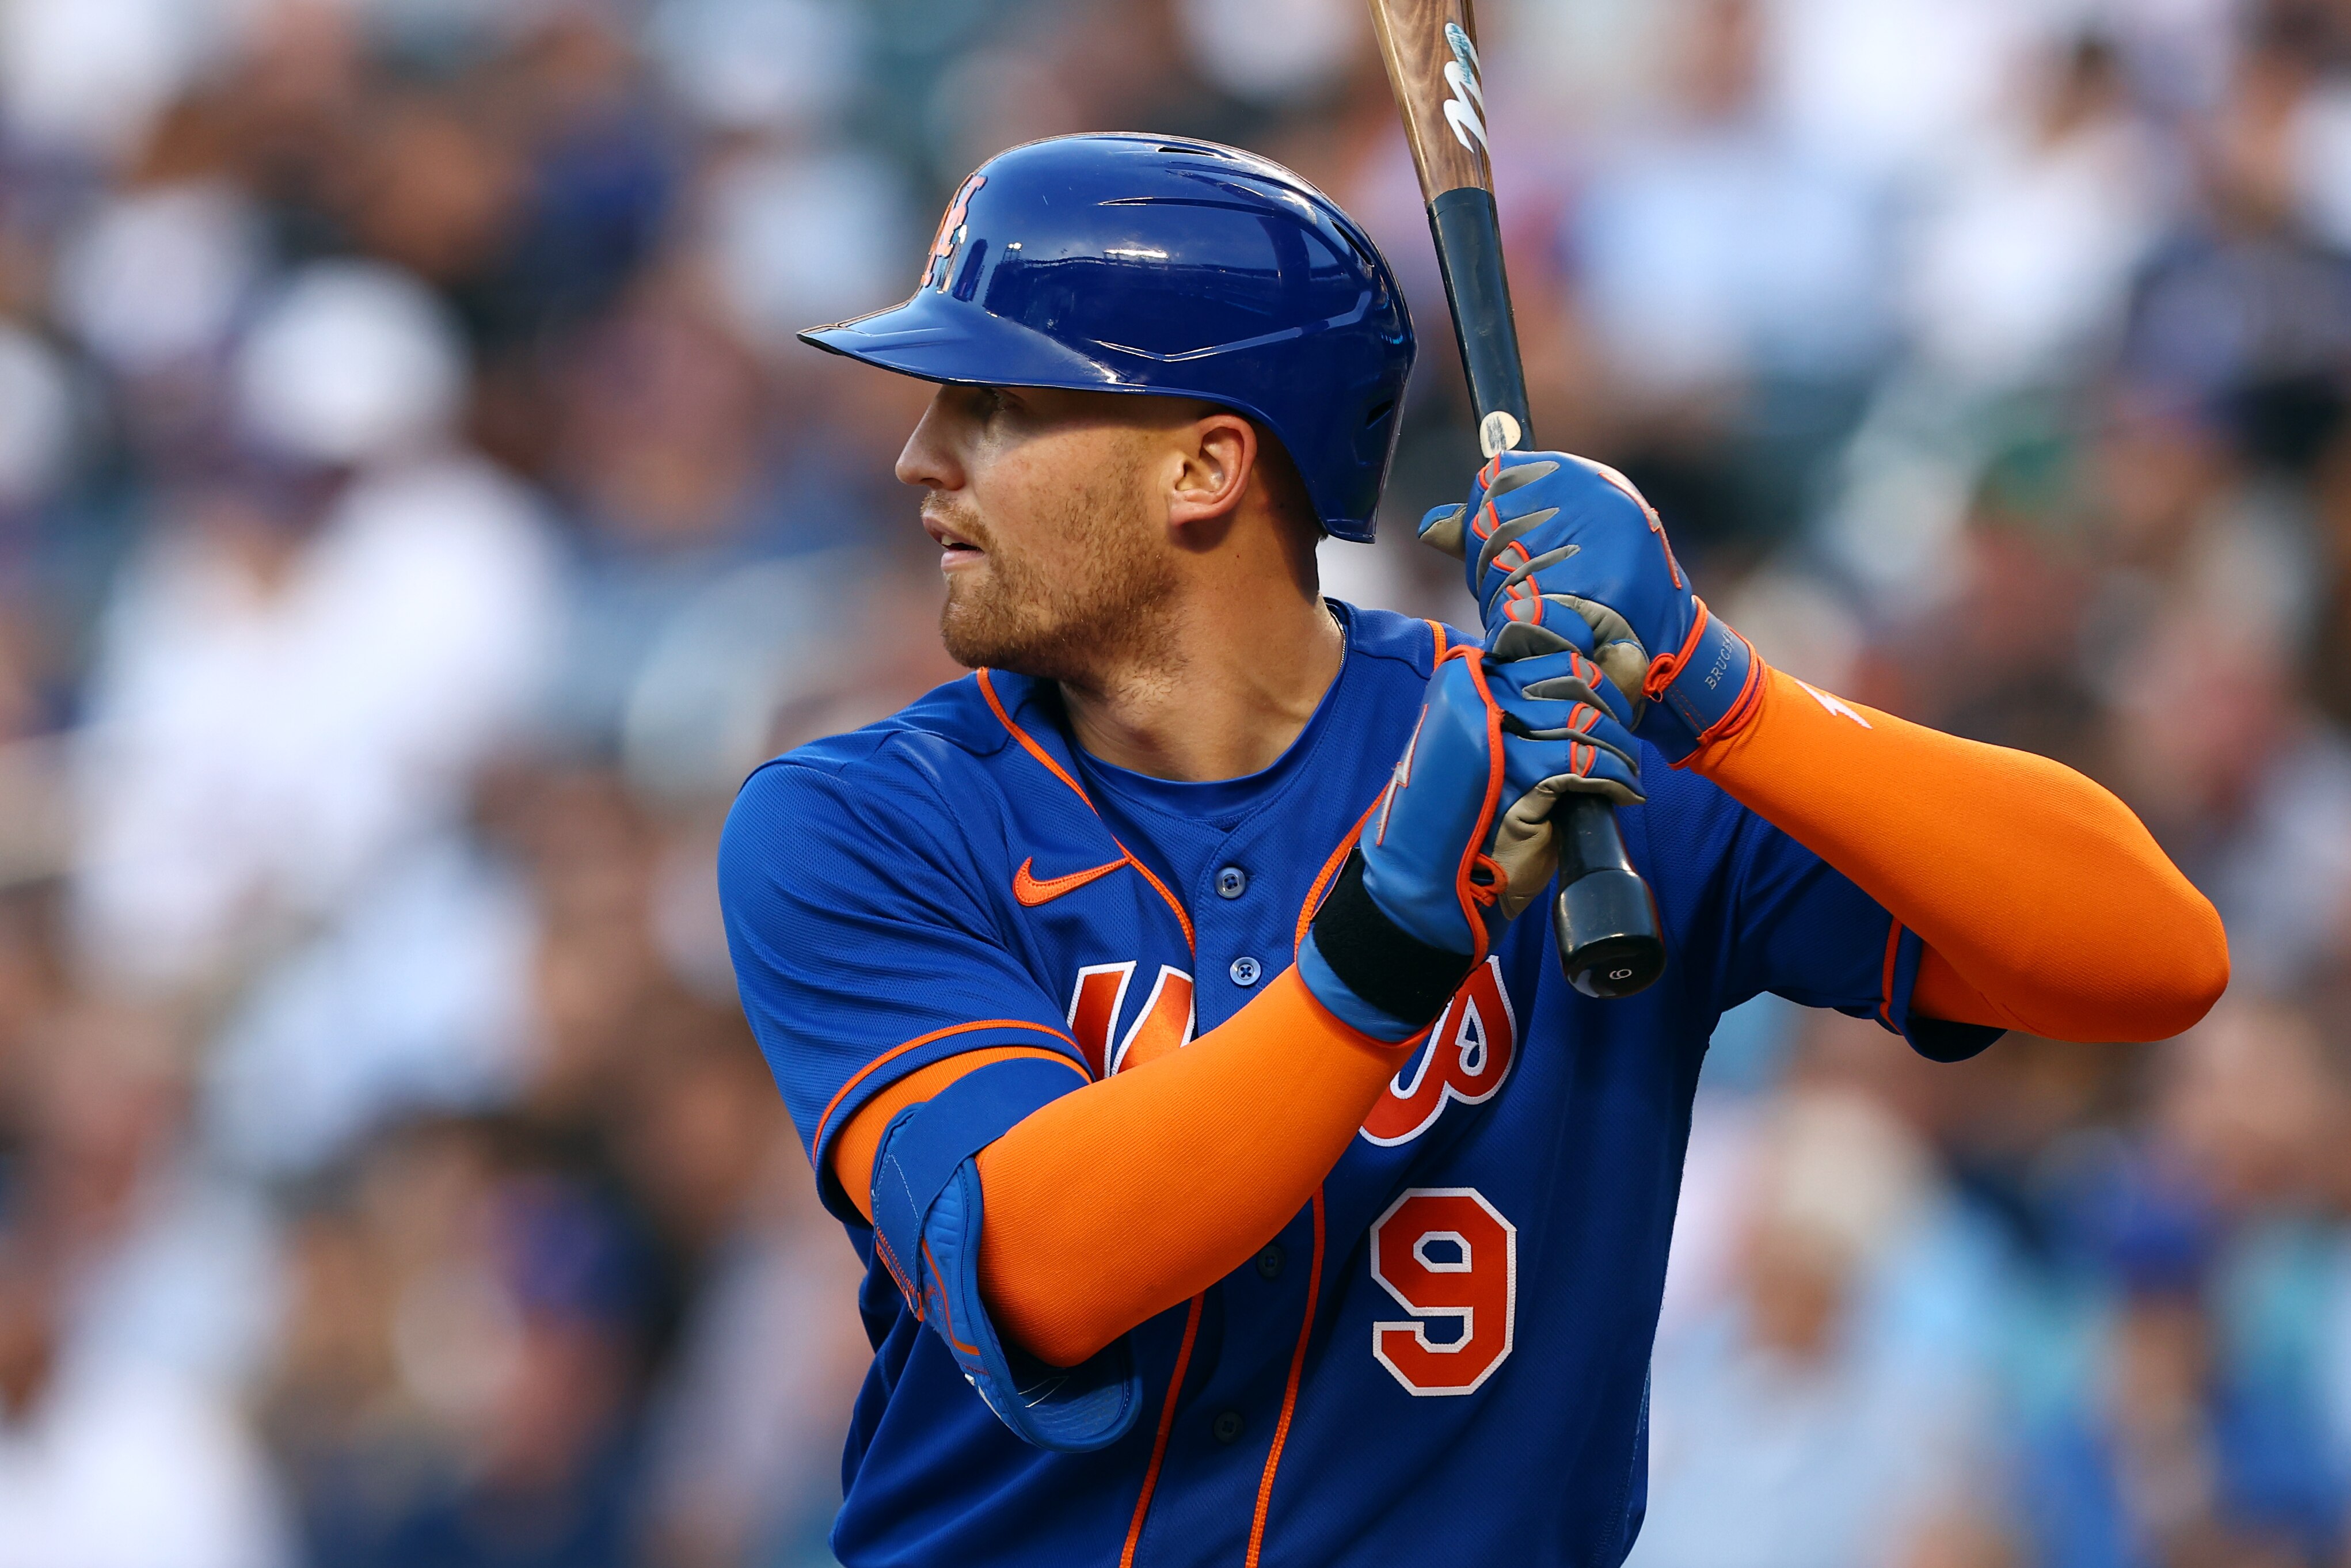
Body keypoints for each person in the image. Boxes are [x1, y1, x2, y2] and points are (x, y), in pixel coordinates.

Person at [718, 134, 2228, 1568]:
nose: (922, 458)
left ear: (1205, 467)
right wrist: (1383, 952)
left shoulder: (1564, 755)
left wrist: (1715, 683)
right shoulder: (861, 817)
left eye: (995, 403)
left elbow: (2152, 957)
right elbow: (1036, 1262)